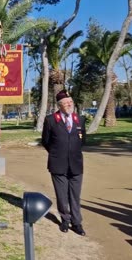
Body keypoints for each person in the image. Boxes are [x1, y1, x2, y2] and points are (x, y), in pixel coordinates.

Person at [41, 89, 86, 236]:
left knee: (75, 195)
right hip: (58, 163)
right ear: (59, 105)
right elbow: (46, 141)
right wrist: (57, 153)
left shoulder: (80, 119)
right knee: (62, 195)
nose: (69, 104)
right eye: (65, 103)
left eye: (70, 102)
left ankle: (77, 223)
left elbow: (82, 141)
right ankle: (65, 220)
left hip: (76, 164)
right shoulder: (51, 120)